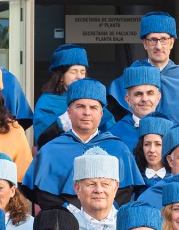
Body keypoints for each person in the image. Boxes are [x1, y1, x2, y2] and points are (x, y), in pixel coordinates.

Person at [22, 79, 141, 211]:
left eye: (93, 107)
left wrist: (103, 214)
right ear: (69, 112)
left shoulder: (118, 148)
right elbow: (43, 194)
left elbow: (125, 191)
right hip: (62, 223)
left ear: (101, 114)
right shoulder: (51, 150)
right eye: (80, 106)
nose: (87, 112)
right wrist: (70, 212)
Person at [110, 11, 179, 124]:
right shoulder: (131, 76)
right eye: (153, 40)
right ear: (144, 43)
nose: (158, 46)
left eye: (163, 40)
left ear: (171, 43)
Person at [32, 44, 105, 145]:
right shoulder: (47, 101)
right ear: (61, 76)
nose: (79, 77)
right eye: (73, 72)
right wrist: (63, 122)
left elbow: (110, 129)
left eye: (82, 72)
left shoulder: (93, 99)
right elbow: (42, 139)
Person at [67, 148, 121, 230]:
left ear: (115, 188)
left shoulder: (130, 224)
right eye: (91, 184)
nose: (99, 190)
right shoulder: (67, 229)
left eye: (105, 184)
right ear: (77, 189)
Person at [108, 61, 168, 153]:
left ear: (158, 97)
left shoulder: (170, 131)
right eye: (138, 94)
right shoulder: (113, 136)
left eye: (150, 93)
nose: (144, 99)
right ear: (128, 100)